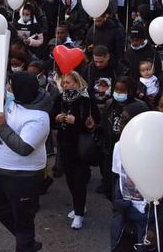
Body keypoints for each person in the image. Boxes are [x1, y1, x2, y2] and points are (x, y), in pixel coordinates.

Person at [0, 71, 51, 252]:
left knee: (24, 222)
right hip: (0, 171)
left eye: (11, 86)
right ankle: (27, 242)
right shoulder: (14, 101)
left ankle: (25, 243)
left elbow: (24, 148)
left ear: (19, 90)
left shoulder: (39, 118)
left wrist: (2, 127)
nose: (8, 88)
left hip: (22, 177)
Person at [50, 71, 99, 229]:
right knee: (70, 178)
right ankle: (80, 206)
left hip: (80, 146)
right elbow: (51, 118)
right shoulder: (60, 98)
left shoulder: (86, 99)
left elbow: (94, 121)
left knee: (79, 180)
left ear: (77, 83)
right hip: (65, 145)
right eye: (64, 83)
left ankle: (79, 214)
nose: (65, 86)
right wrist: (57, 119)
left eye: (69, 83)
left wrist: (76, 120)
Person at [111, 102, 153, 251]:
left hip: (149, 216)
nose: (120, 123)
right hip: (125, 213)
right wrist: (118, 208)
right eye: (121, 119)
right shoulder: (119, 146)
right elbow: (118, 179)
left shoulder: (155, 150)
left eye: (125, 120)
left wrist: (154, 226)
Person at [100, 77, 146, 200]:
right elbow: (104, 125)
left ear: (130, 91)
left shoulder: (139, 107)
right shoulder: (110, 104)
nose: (118, 94)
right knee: (109, 178)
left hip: (129, 151)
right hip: (111, 148)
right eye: (117, 90)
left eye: (123, 91)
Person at [81, 45, 127, 118]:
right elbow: (82, 86)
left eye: (101, 61)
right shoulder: (89, 68)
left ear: (107, 57)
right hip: (93, 106)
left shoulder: (117, 68)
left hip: (112, 106)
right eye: (96, 61)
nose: (98, 64)